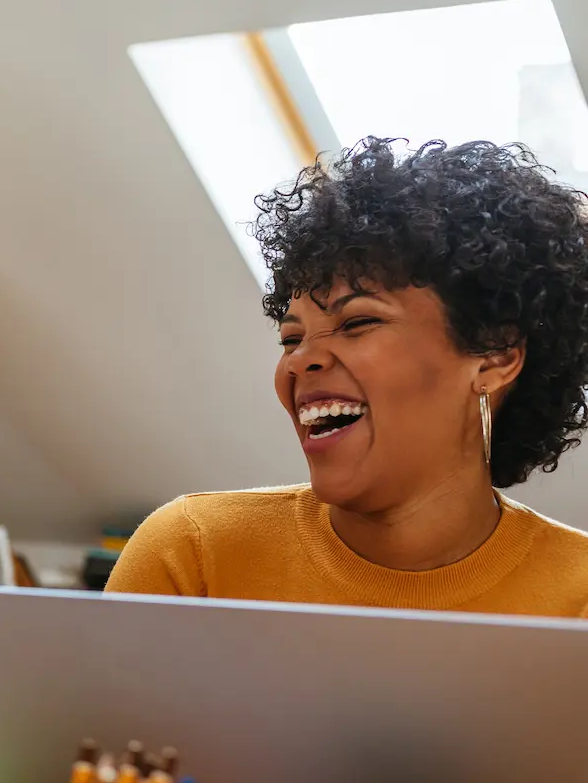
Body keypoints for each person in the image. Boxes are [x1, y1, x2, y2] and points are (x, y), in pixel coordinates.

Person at [110, 138, 588, 612]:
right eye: (291, 339)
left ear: (495, 356)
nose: (299, 361)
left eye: (357, 322)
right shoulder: (194, 557)